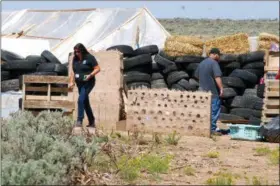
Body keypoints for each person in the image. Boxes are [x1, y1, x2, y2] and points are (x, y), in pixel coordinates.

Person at [69, 43, 101, 127]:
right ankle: (92, 121)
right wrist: (71, 82)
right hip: (79, 84)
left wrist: (90, 75)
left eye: (78, 51)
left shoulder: (90, 58)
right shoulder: (75, 59)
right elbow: (73, 72)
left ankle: (79, 120)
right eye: (75, 52)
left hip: (88, 83)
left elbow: (98, 68)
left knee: (80, 100)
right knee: (85, 102)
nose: (77, 53)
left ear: (82, 50)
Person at [194, 48, 225, 134]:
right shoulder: (214, 63)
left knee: (203, 111)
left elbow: (196, 76)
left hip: (202, 92)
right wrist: (221, 88)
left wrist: (204, 82)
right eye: (219, 55)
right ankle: (212, 129)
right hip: (213, 92)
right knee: (214, 111)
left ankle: (202, 129)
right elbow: (217, 77)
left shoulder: (202, 63)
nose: (219, 58)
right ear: (215, 54)